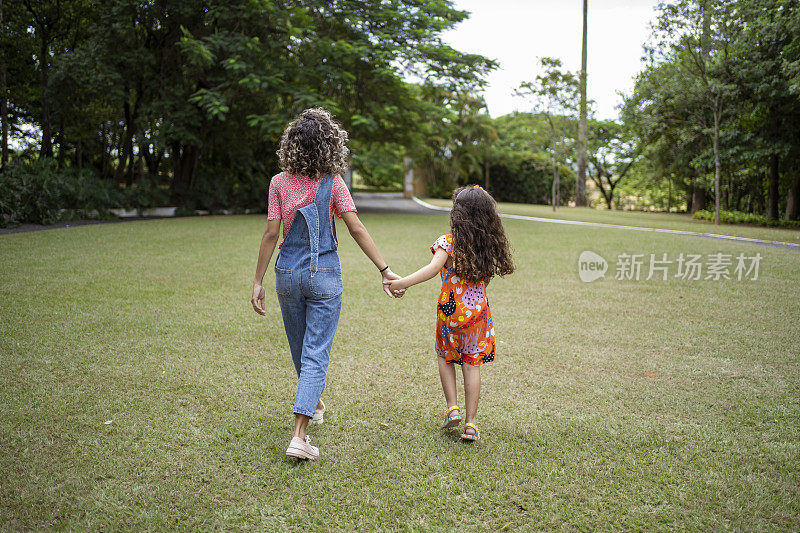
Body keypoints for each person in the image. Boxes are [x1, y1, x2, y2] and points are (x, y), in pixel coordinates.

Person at [251, 108, 401, 460]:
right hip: (324, 275)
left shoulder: (278, 182)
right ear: (329, 145)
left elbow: (271, 233)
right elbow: (356, 227)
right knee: (315, 352)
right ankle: (299, 436)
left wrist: (257, 280)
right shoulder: (333, 182)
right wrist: (384, 269)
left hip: (286, 273)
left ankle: (314, 403)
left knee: (300, 346)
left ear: (291, 145)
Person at [385, 185, 514, 441]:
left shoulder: (449, 243)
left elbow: (432, 270)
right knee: (471, 364)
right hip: (478, 317)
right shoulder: (487, 246)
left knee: (445, 357)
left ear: (458, 214)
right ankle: (471, 424)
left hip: (450, 314)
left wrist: (400, 283)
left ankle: (452, 408)